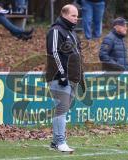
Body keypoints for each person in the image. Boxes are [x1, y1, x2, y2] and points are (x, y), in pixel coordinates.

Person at [46, 4, 85, 152]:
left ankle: (56, 142)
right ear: (64, 14)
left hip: (72, 78)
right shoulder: (56, 31)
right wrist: (62, 73)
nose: (76, 19)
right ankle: (61, 142)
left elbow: (78, 57)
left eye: (77, 16)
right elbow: (54, 52)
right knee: (61, 110)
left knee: (62, 110)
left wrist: (80, 77)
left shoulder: (73, 33)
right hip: (59, 78)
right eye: (73, 16)